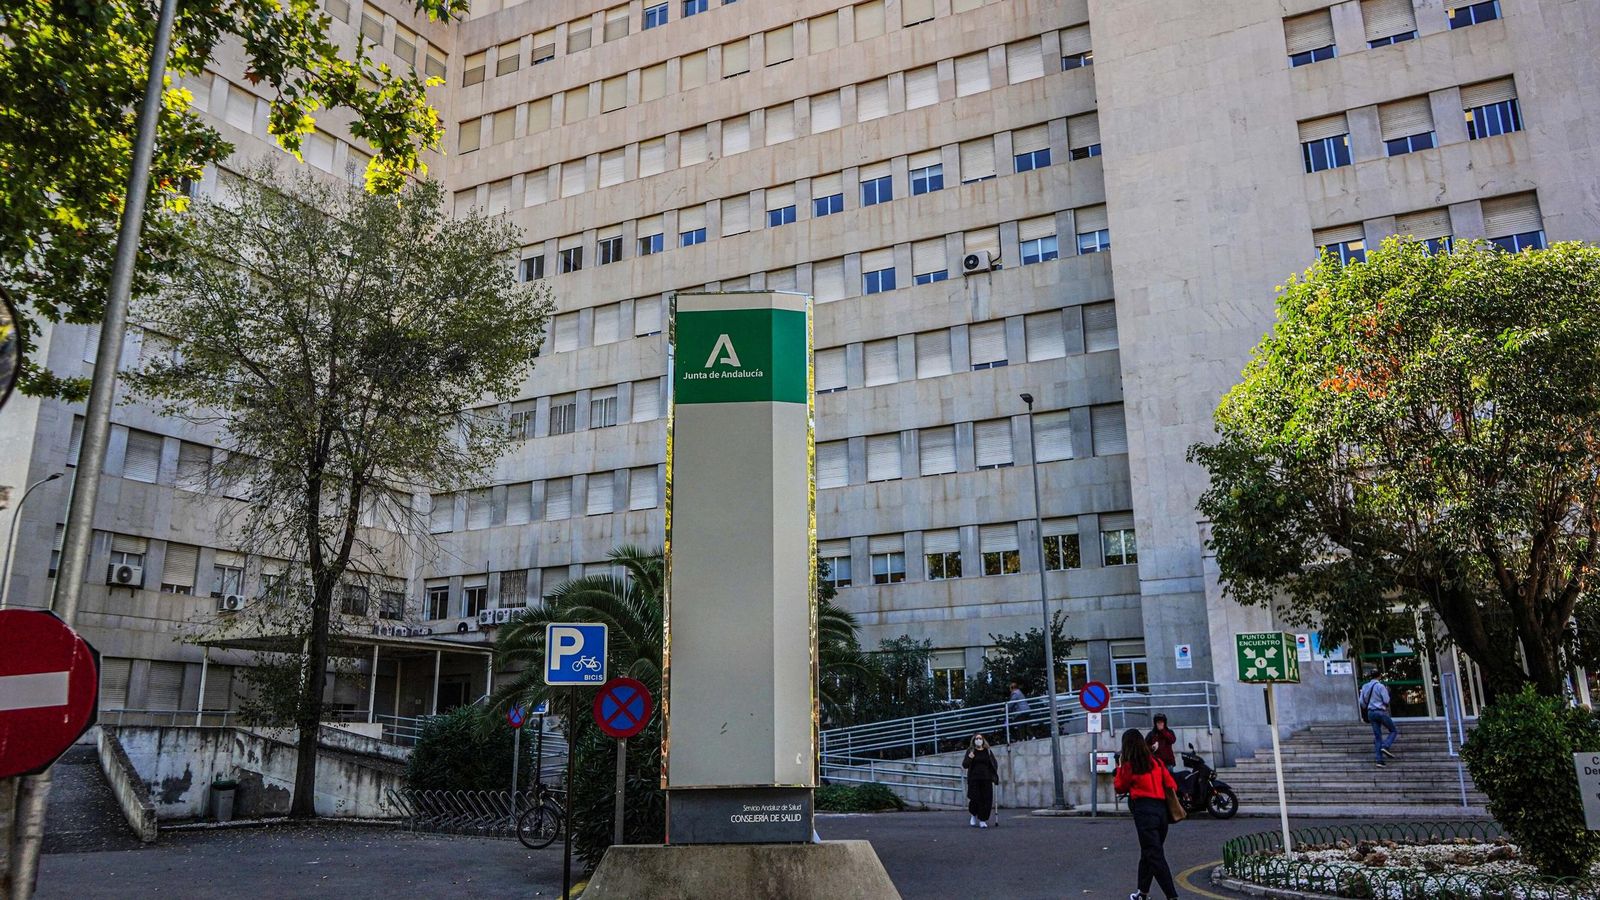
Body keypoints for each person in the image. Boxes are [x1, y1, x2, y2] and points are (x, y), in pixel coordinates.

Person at [1114, 728, 1179, 900]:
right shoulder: (1156, 762)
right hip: (1161, 811)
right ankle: (1142, 892)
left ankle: (1172, 896)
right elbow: (1171, 784)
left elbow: (1120, 787)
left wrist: (1119, 767)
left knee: (1154, 855)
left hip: (1144, 811)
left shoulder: (1130, 765)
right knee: (1149, 853)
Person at [962, 733, 1000, 828]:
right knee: (975, 798)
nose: (978, 740)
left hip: (986, 779)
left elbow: (993, 764)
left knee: (986, 800)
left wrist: (994, 776)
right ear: (973, 741)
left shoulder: (988, 751)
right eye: (976, 739)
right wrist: (970, 757)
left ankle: (983, 820)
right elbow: (965, 765)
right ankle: (973, 814)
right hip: (974, 779)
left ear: (983, 740)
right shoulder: (971, 751)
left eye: (980, 738)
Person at [1360, 673, 1399, 767]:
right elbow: (1386, 700)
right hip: (1380, 711)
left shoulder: (1365, 686)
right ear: (1379, 676)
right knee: (1393, 730)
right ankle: (1385, 746)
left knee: (1378, 737)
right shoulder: (1381, 686)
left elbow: (1362, 702)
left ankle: (1379, 760)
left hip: (1370, 713)